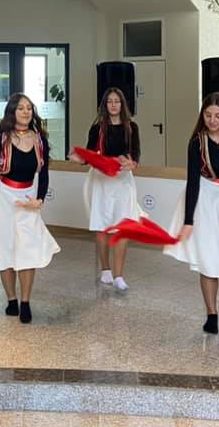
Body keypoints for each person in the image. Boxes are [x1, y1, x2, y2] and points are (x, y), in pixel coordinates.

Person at [164, 92, 219, 334]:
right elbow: (192, 182)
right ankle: (211, 314)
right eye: (208, 115)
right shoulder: (197, 142)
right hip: (203, 198)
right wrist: (188, 220)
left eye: (218, 116)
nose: (212, 120)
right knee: (208, 260)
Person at [0, 93, 59, 324]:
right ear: (12, 112)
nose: (26, 112)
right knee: (5, 250)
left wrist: (39, 200)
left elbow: (44, 175)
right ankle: (11, 300)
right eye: (21, 108)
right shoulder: (1, 141)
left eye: (29, 108)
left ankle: (26, 302)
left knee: (28, 251)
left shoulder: (40, 140)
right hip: (2, 198)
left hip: (27, 199)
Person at [69, 87, 141, 291]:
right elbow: (90, 155)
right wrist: (80, 159)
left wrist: (131, 163)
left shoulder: (131, 127)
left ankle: (119, 275)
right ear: (104, 105)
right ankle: (106, 270)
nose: (113, 105)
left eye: (117, 101)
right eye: (110, 101)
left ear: (122, 104)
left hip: (123, 180)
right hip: (101, 180)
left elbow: (136, 153)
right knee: (102, 226)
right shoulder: (97, 129)